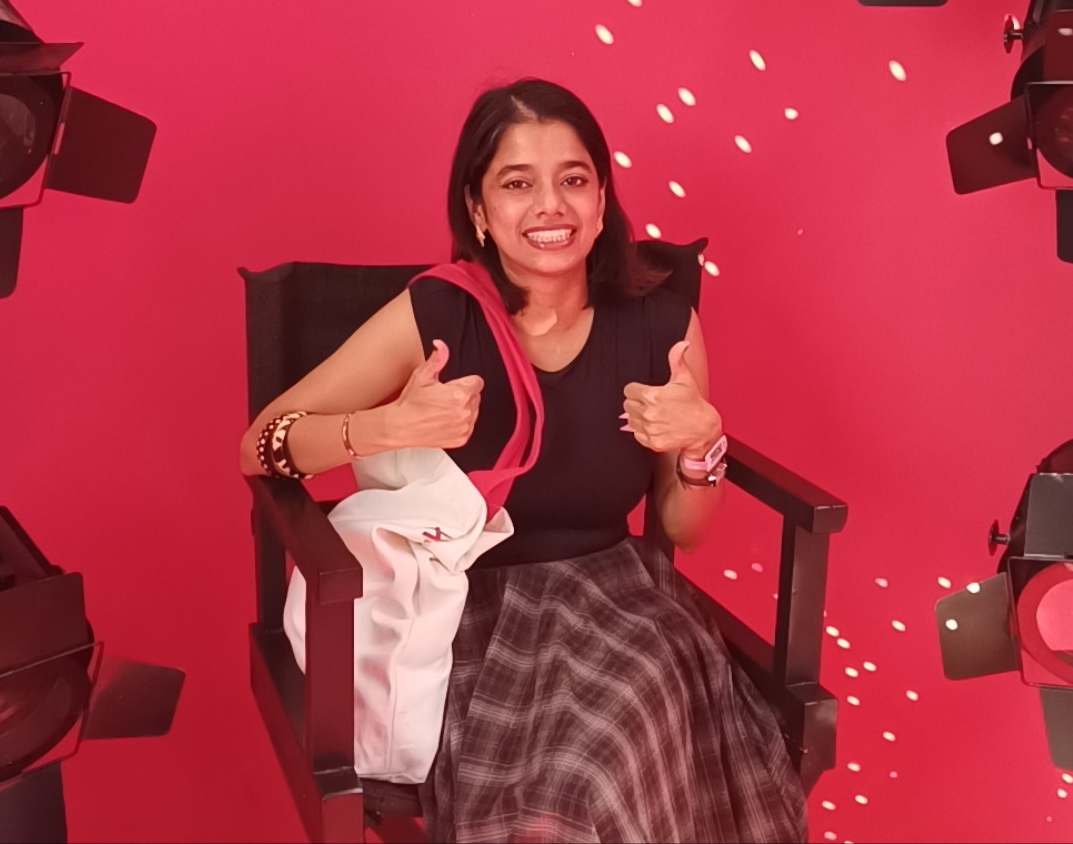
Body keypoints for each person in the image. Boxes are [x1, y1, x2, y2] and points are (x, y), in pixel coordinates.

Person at [240, 78, 807, 843]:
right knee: (552, 804)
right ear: (478, 210)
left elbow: (686, 529)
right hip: (463, 607)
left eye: (573, 180)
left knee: (608, 754)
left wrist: (702, 443)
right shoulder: (439, 311)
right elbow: (260, 444)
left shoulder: (661, 324)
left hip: (619, 605)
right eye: (517, 183)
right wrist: (384, 427)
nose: (550, 206)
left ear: (601, 203)